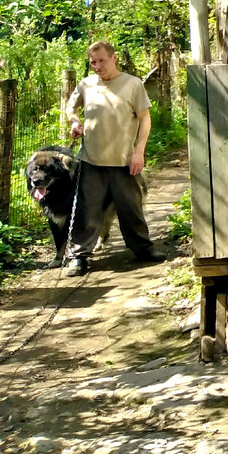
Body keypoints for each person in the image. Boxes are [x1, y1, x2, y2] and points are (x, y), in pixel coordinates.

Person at [63, 41, 163, 277]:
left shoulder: (132, 84)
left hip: (124, 162)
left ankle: (142, 249)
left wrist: (139, 151)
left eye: (101, 61)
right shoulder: (86, 85)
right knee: (87, 210)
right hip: (91, 161)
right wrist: (75, 122)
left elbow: (145, 119)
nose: (97, 66)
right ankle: (78, 257)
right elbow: (70, 107)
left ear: (114, 58)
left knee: (131, 208)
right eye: (93, 62)